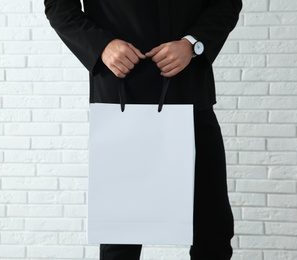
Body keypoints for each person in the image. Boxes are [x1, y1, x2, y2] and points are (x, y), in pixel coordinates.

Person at [44, 0, 242, 259]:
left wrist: (192, 44)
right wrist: (101, 45)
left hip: (189, 93)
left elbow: (226, 3)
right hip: (122, 96)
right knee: (120, 236)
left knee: (213, 228)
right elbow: (60, 7)